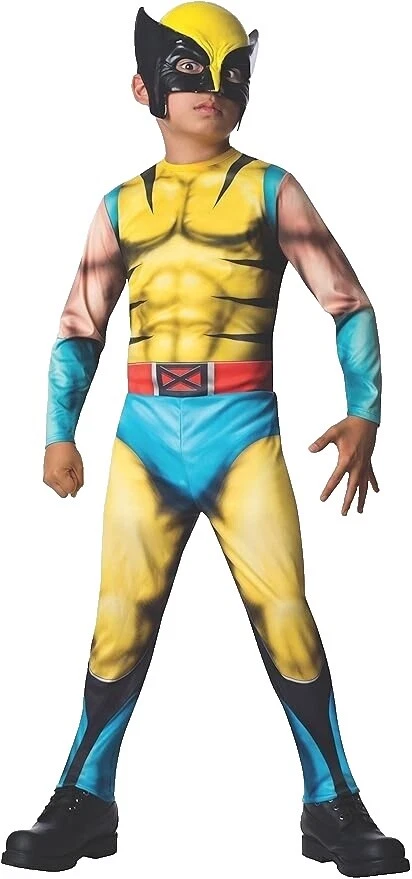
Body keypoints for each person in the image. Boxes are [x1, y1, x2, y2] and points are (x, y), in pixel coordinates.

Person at [1, 2, 409, 876]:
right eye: (189, 70)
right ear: (143, 86)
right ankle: (85, 797)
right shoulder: (120, 204)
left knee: (286, 614)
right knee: (116, 624)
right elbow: (81, 324)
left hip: (241, 431)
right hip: (145, 435)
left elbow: (348, 301)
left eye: (231, 73)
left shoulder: (271, 189)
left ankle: (332, 800)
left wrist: (365, 409)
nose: (212, 90)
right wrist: (57, 433)